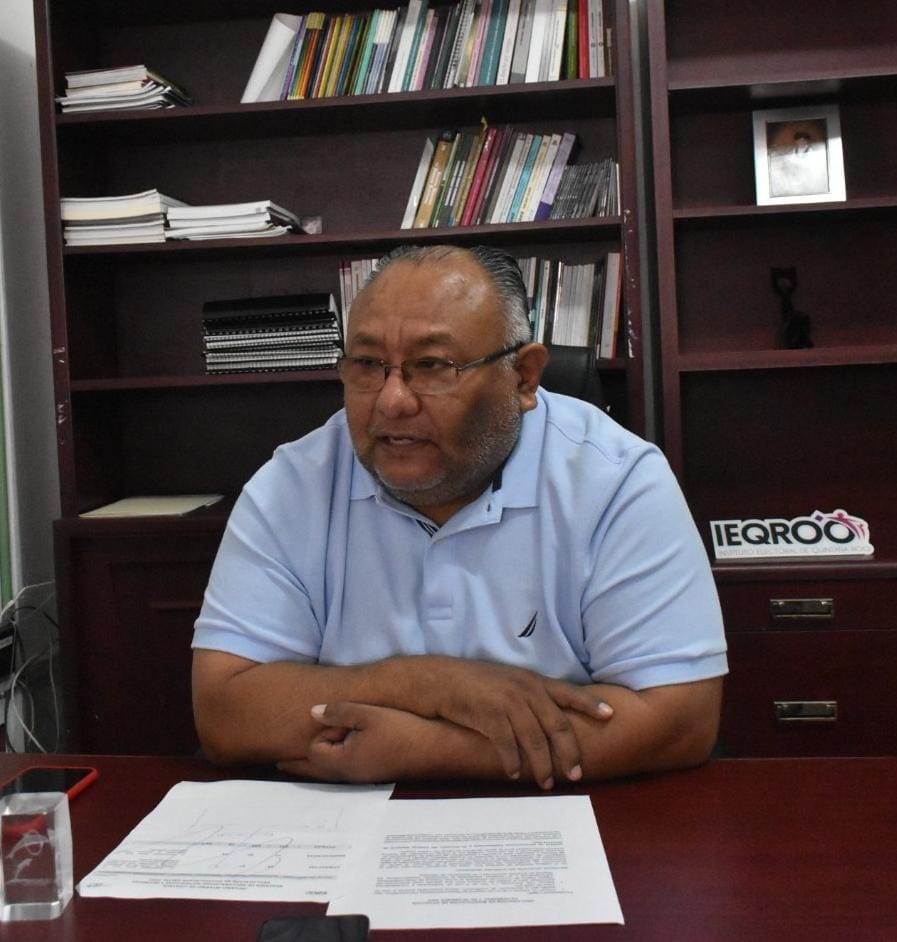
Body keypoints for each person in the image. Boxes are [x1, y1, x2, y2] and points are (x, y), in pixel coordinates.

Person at [192, 244, 727, 790]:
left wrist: (426, 748)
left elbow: (680, 718)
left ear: (524, 377)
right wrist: (429, 685)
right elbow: (224, 712)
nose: (392, 401)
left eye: (432, 366)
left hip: (559, 818)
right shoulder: (294, 484)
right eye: (368, 365)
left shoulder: (616, 480)